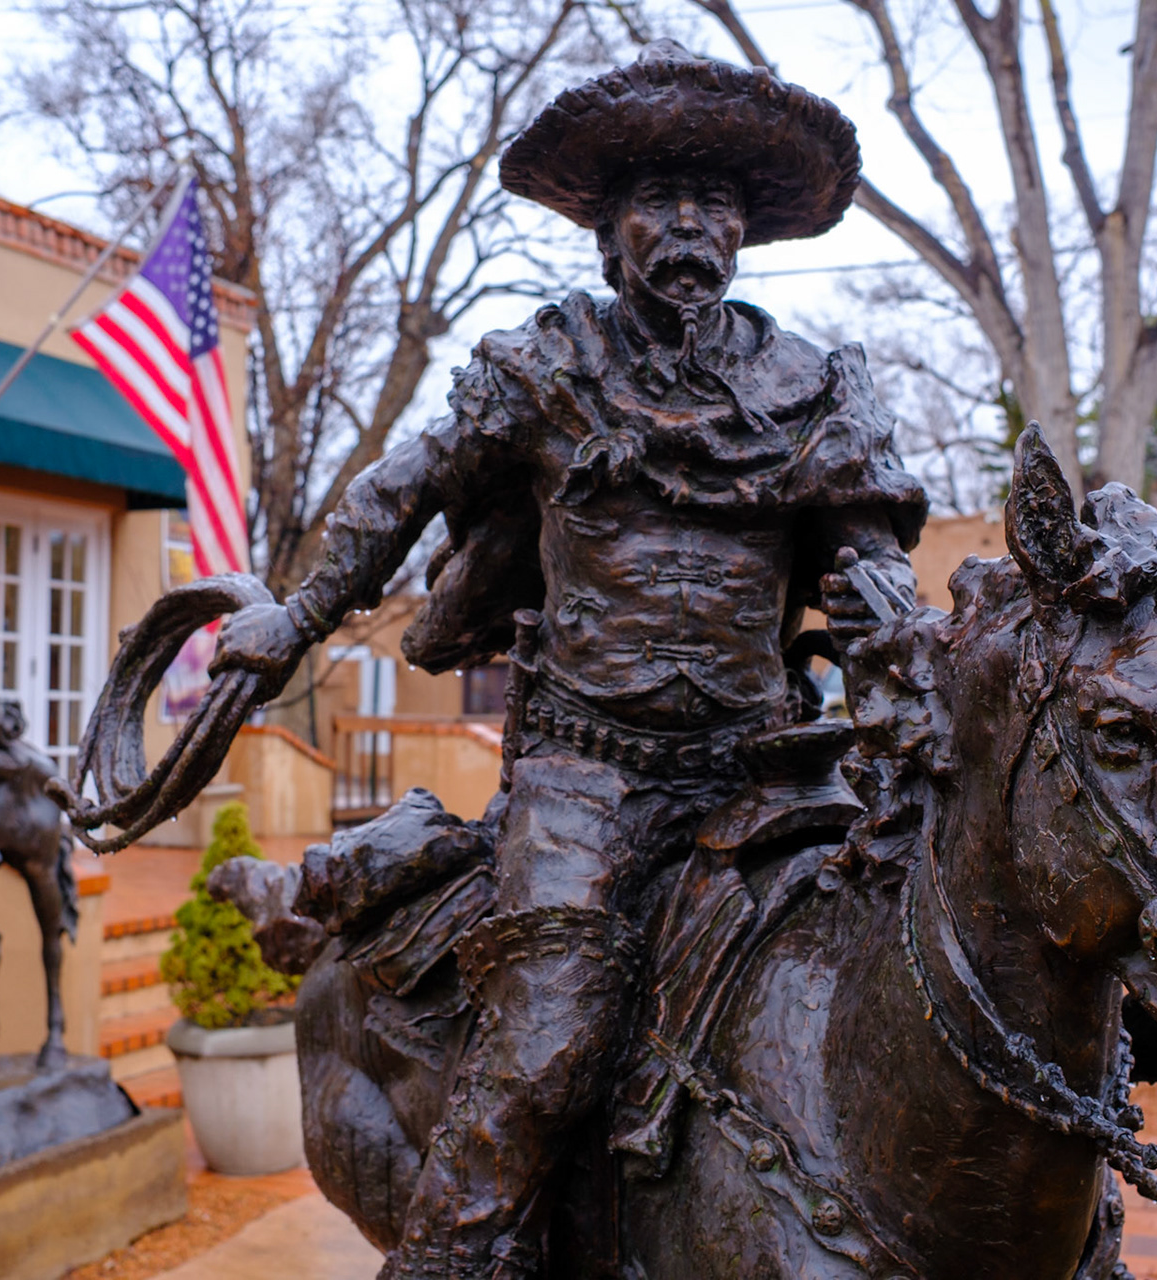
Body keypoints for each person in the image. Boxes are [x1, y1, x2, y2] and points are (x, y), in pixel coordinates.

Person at [213, 41, 925, 1278]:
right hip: (589, 781)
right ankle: (450, 1256)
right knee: (542, 1047)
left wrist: (918, 699)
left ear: (746, 233)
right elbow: (403, 490)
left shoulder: (816, 389)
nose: (690, 227)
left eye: (715, 206)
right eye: (659, 203)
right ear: (608, 235)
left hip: (771, 777)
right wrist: (298, 612)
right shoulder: (544, 369)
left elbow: (870, 578)